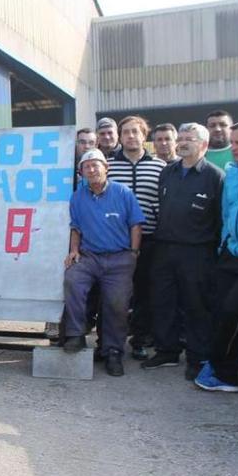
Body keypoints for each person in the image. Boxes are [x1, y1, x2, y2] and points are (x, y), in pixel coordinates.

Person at [144, 123, 224, 380]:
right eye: (182, 137)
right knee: (163, 302)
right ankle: (167, 351)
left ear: (204, 144)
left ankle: (197, 357)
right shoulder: (168, 172)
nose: (184, 142)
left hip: (197, 252)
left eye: (190, 138)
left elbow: (221, 219)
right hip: (164, 248)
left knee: (196, 306)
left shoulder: (215, 176)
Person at [63, 149, 145, 377]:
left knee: (116, 304)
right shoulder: (78, 196)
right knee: (72, 279)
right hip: (89, 256)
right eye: (86, 166)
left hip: (119, 257)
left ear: (106, 168)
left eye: (95, 165)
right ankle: (76, 334)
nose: (91, 169)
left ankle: (113, 352)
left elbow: (136, 224)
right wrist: (73, 251)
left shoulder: (122, 192)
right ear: (81, 172)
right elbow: (76, 227)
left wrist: (133, 253)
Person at [195, 120, 238, 392]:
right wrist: (224, 245)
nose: (234, 148)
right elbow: (228, 213)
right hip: (231, 253)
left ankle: (224, 372)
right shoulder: (231, 171)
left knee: (234, 311)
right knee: (221, 311)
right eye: (233, 142)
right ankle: (221, 366)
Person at [107, 116, 165, 360]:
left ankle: (139, 340)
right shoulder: (108, 165)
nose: (131, 136)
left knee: (145, 293)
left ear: (144, 135)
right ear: (120, 137)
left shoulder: (161, 166)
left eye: (135, 132)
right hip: (116, 242)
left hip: (150, 239)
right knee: (116, 295)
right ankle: (111, 343)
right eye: (126, 132)